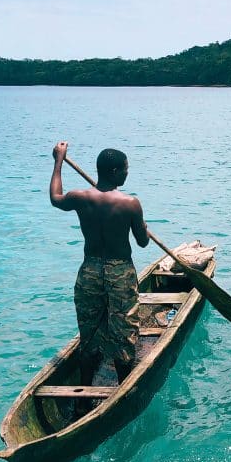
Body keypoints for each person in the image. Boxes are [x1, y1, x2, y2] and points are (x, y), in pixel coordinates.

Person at [49, 141, 149, 386]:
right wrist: (143, 227)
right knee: (124, 333)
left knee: (89, 333)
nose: (128, 172)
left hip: (90, 271)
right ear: (115, 172)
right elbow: (143, 243)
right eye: (125, 169)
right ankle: (125, 391)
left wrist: (58, 160)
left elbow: (55, 198)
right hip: (120, 273)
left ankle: (84, 394)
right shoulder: (130, 203)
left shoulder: (80, 197)